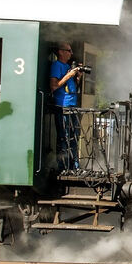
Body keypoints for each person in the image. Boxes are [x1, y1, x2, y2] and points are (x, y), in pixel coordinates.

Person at [48, 42, 84, 170]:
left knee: (74, 137)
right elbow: (54, 86)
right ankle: (63, 166)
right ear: (61, 52)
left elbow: (73, 88)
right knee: (64, 137)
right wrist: (69, 75)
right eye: (69, 50)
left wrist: (77, 78)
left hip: (72, 106)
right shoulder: (56, 65)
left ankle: (74, 166)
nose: (71, 53)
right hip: (62, 106)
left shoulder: (67, 66)